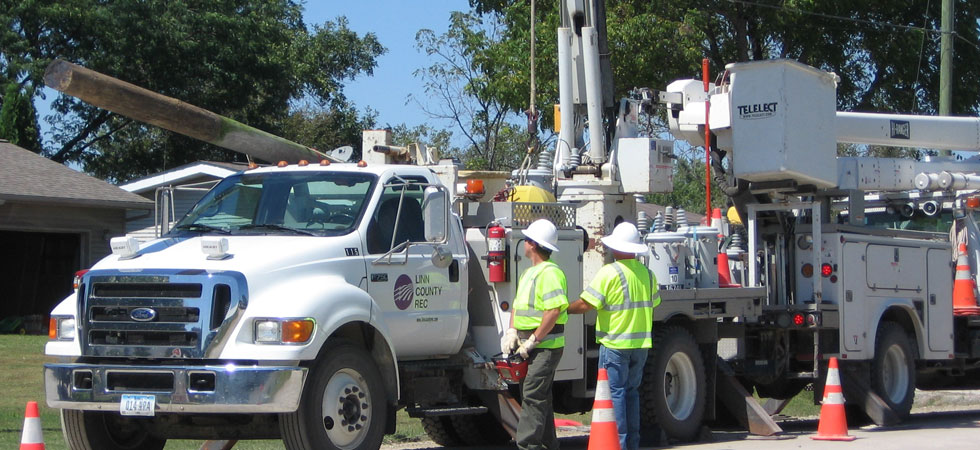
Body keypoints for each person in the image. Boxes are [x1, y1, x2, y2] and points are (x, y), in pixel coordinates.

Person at [568, 222, 659, 450]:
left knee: (614, 395)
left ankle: (618, 443)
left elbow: (586, 304)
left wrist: (562, 309)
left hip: (615, 344)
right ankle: (632, 444)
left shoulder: (609, 273)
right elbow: (655, 302)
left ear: (616, 248)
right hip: (640, 345)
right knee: (631, 393)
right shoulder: (648, 274)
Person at [501, 218, 568, 450]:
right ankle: (549, 445)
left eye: (527, 239)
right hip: (531, 345)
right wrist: (512, 331)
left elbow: (553, 311)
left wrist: (533, 340)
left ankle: (527, 445)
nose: (524, 242)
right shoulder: (529, 273)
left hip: (545, 346)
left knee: (532, 393)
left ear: (535, 244)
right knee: (539, 397)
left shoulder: (550, 273)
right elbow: (518, 306)